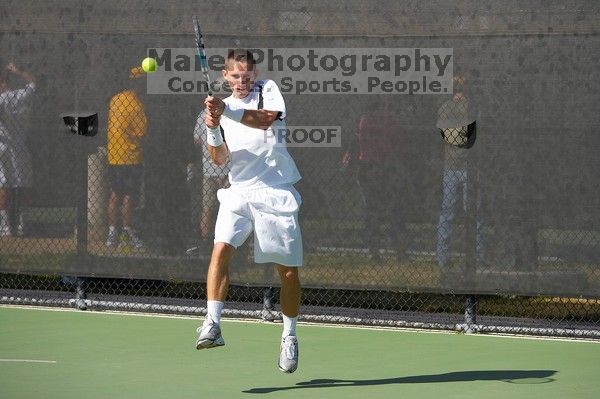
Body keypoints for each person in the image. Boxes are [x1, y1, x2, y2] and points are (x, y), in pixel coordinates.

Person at [196, 49, 302, 374]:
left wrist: (225, 111)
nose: (242, 81)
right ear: (225, 77)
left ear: (254, 75)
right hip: (238, 191)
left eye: (247, 75)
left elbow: (267, 119)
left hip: (275, 190)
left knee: (287, 273)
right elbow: (219, 159)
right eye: (235, 76)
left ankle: (289, 335)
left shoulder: (267, 90)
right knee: (220, 252)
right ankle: (212, 323)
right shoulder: (220, 108)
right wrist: (213, 126)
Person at [341, 97, 406, 260]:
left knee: (376, 209)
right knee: (379, 208)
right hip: (374, 166)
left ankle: (380, 248)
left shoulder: (370, 120)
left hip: (375, 166)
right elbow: (394, 143)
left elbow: (393, 143)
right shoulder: (377, 121)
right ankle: (387, 248)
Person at [436, 75, 483, 275]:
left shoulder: (445, 109)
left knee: (447, 212)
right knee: (474, 213)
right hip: (468, 165)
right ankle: (477, 256)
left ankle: (442, 256)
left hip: (452, 164)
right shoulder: (471, 108)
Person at [105, 66, 147, 249]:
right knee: (129, 195)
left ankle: (112, 232)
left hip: (114, 155)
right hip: (130, 157)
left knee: (115, 194)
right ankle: (128, 230)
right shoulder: (137, 105)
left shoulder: (115, 99)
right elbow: (141, 133)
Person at [187, 109, 230, 254]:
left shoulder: (203, 114)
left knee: (208, 208)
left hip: (215, 168)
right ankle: (216, 243)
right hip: (226, 168)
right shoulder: (229, 111)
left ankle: (208, 243)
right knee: (227, 208)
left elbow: (196, 140)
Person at [0, 62, 35, 236]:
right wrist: (19, 70)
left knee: (3, 185)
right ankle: (22, 224)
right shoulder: (20, 96)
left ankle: (5, 227)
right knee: (22, 186)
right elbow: (33, 84)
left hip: (4, 146)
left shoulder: (7, 98)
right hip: (19, 147)